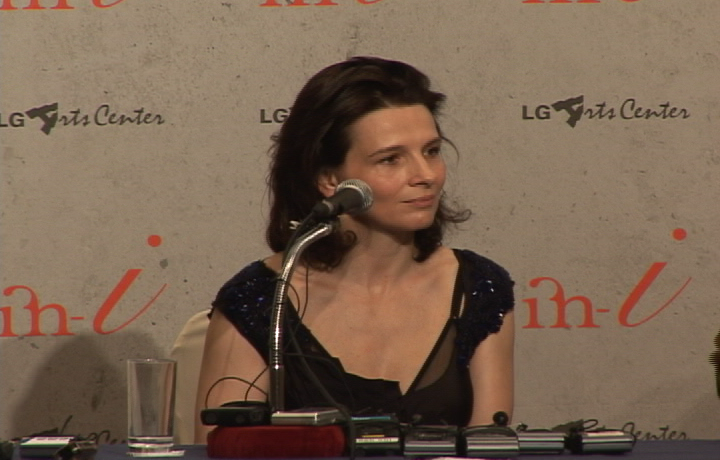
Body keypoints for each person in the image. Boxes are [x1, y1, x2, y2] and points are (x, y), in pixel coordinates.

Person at [194, 56, 515, 443]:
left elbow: (488, 446)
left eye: (431, 151)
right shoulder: (260, 299)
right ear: (330, 180)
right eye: (391, 159)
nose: (426, 175)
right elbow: (224, 448)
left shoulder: (478, 287)